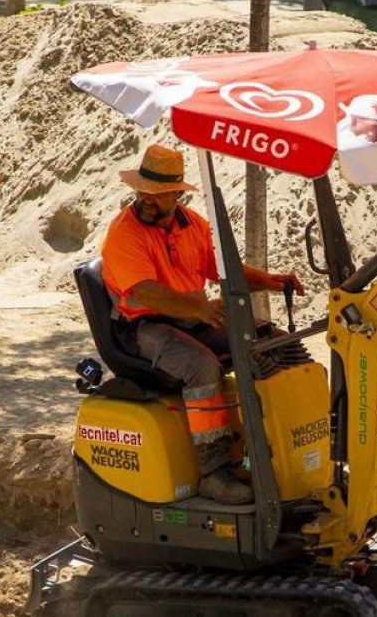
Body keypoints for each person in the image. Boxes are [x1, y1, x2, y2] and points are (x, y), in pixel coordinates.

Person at [100, 144, 304, 505]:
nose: (147, 199)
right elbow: (146, 293)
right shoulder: (124, 234)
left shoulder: (194, 226)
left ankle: (287, 442)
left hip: (190, 317)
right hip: (143, 327)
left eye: (158, 194)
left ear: (178, 194)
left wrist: (268, 280)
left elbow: (225, 271)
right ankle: (214, 473)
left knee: (270, 340)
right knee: (202, 367)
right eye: (143, 191)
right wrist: (197, 308)